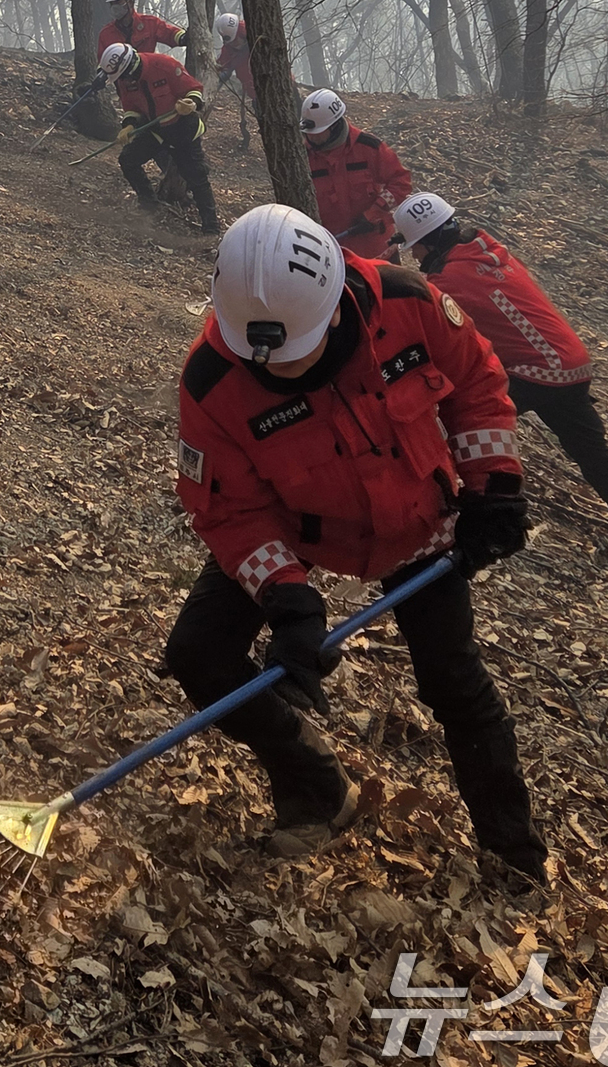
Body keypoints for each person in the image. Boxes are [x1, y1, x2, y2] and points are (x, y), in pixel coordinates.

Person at [166, 202, 547, 880]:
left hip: (416, 517)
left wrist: (494, 483)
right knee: (198, 653)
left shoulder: (406, 299)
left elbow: (480, 383)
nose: (271, 369)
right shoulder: (212, 378)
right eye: (260, 356)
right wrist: (285, 595)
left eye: (290, 353)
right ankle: (316, 785)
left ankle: (512, 856)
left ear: (334, 305)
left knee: (454, 681)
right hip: (296, 518)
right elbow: (227, 508)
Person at [391, 192, 608, 539]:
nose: (414, 255)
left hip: (538, 373)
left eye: (416, 247)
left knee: (467, 420)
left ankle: (478, 506)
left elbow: (421, 309)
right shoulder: (486, 251)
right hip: (572, 365)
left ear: (430, 241)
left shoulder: (451, 280)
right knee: (594, 455)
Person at [99, 42, 220, 236]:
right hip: (155, 131)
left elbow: (194, 89)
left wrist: (190, 102)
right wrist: (129, 125)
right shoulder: (124, 80)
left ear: (130, 66)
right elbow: (131, 107)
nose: (122, 80)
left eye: (122, 76)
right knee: (128, 159)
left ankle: (211, 229)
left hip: (183, 129)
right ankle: (149, 204)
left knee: (197, 177)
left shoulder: (164, 65)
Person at [301, 88, 412, 259]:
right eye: (309, 133)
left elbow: (401, 183)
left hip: (378, 253)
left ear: (334, 126)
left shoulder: (369, 149)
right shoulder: (302, 159)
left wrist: (375, 211)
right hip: (336, 256)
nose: (311, 138)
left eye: (317, 133)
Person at [97, 0, 187, 60]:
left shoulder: (150, 24)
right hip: (121, 78)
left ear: (131, 3)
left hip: (148, 76)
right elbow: (103, 63)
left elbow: (169, 33)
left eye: (118, 2)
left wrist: (183, 37)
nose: (114, 7)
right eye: (112, 4)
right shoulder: (106, 34)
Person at [214, 13, 255, 101]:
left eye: (236, 40)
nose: (233, 44)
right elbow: (222, 65)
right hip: (256, 97)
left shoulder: (257, 41)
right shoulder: (228, 50)